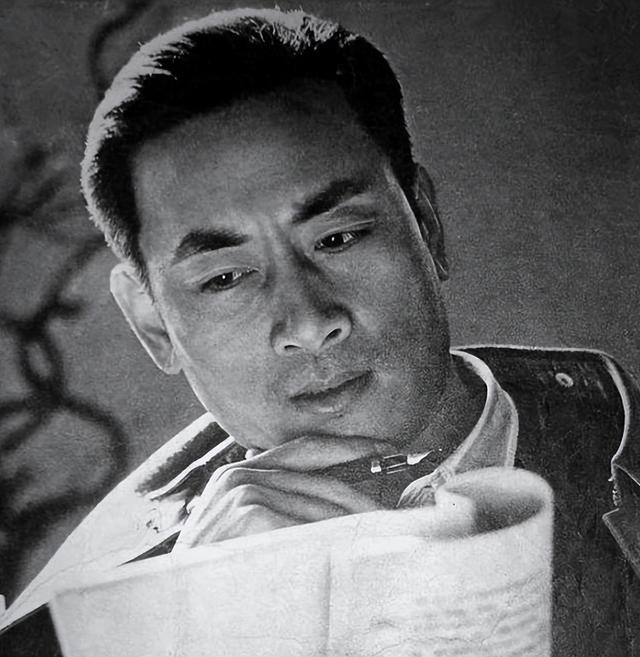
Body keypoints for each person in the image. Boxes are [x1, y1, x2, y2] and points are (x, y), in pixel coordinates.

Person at [1, 8, 639, 655]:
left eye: (338, 238)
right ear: (153, 324)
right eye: (225, 277)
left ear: (426, 224)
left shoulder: (619, 441)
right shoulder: (85, 626)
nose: (308, 323)